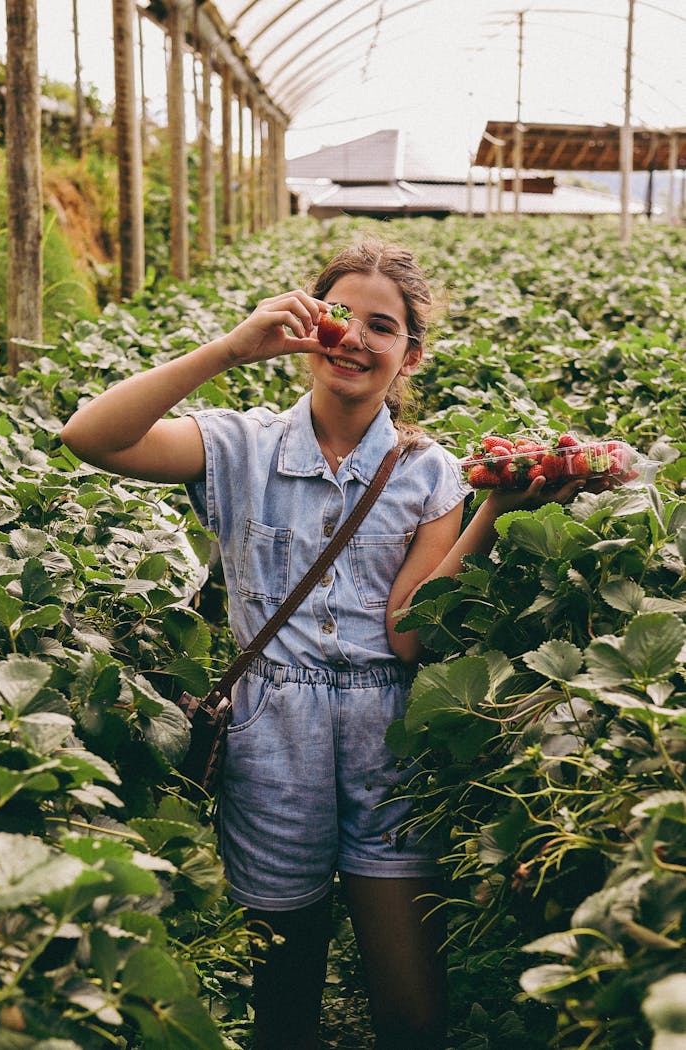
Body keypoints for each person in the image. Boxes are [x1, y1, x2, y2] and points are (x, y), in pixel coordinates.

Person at [60, 238, 584, 1050]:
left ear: (411, 355)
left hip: (391, 733)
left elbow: (408, 637)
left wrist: (493, 511)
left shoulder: (430, 472)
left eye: (386, 326)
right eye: (343, 316)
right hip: (271, 729)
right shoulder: (238, 445)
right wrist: (232, 348)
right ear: (308, 327)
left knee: (412, 1009)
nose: (360, 340)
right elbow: (91, 435)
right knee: (284, 990)